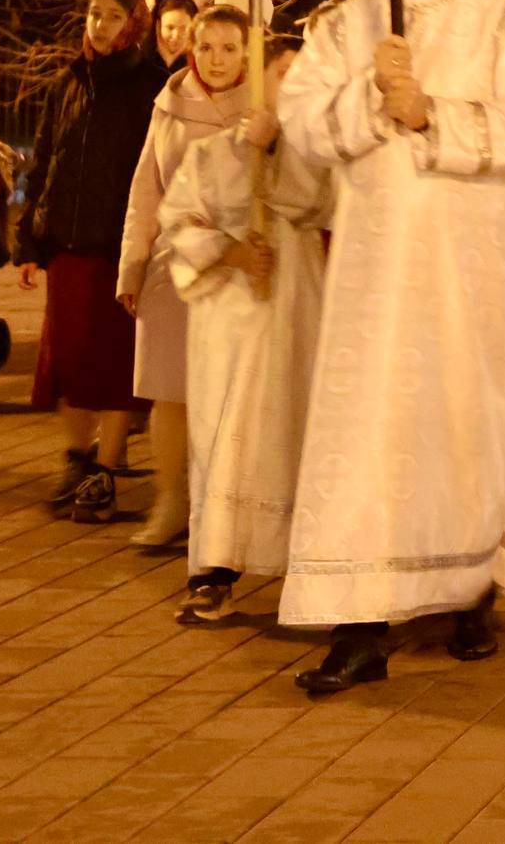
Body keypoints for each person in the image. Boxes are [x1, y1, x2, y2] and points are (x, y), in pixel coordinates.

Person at [276, 0, 505, 692]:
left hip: (468, 260)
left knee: (464, 419)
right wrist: (371, 97)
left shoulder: (503, 21)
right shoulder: (345, 26)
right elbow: (301, 120)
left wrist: (431, 113)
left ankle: (471, 593)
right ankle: (360, 624)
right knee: (368, 432)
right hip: (374, 266)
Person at [162, 35, 329, 624]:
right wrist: (231, 252)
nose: (294, 85)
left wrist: (281, 147)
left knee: (294, 430)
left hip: (297, 313)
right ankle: (214, 571)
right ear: (259, 80)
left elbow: (326, 206)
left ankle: (310, 570)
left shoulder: (322, 156)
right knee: (226, 438)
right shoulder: (213, 153)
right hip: (231, 321)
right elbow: (179, 220)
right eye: (283, 73)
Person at [19, 0, 168, 521]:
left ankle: (106, 468)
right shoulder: (69, 82)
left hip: (116, 245)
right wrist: (30, 239)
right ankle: (75, 457)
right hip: (67, 241)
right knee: (69, 359)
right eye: (94, 14)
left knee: (112, 362)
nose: (99, 25)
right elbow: (44, 160)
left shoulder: (151, 87)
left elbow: (154, 172)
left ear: (133, 24)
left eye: (111, 16)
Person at [115, 4, 253, 548]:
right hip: (175, 262)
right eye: (206, 47)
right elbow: (146, 188)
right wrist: (131, 266)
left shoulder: (265, 104)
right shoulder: (169, 105)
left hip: (239, 264)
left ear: (246, 52)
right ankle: (172, 499)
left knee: (233, 395)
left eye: (229, 48)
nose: (216, 60)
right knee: (169, 391)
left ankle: (225, 510)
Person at [153, 0, 200, 74]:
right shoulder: (140, 61)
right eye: (170, 28)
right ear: (158, 26)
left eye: (183, 28)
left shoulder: (200, 61)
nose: (176, 36)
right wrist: (167, 63)